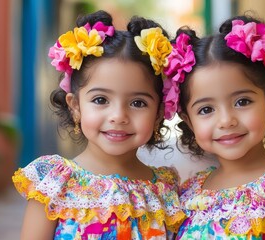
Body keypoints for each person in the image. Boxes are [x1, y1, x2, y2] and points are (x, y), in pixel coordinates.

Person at [12, 10, 186, 239]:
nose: (118, 116)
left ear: (159, 113)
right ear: (75, 106)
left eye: (137, 103)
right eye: (101, 100)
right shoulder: (55, 184)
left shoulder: (166, 190)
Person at [162, 14, 265, 239]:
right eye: (206, 109)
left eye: (242, 102)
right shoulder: (189, 195)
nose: (226, 120)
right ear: (189, 121)